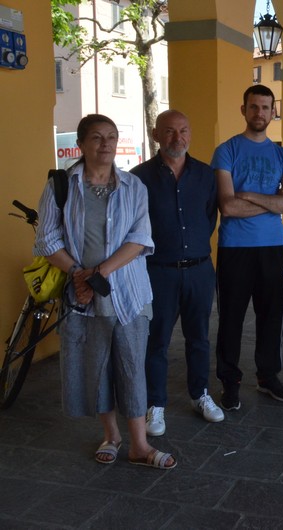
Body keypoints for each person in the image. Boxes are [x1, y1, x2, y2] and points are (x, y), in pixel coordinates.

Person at [34, 114, 175, 469]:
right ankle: (112, 436)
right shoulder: (61, 186)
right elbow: (47, 239)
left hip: (128, 294)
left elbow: (141, 239)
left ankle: (139, 445)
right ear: (81, 144)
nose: (106, 144)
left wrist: (98, 274)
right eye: (97, 137)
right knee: (96, 369)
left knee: (132, 367)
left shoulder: (133, 186)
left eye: (111, 136)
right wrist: (77, 275)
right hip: (83, 298)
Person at [131, 110, 224, 436]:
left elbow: (209, 217)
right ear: (156, 134)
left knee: (199, 338)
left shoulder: (205, 174)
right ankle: (155, 403)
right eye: (169, 131)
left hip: (199, 270)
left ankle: (200, 394)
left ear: (190, 134)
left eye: (183, 130)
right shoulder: (139, 178)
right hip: (158, 272)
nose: (177, 137)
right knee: (156, 340)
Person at [211, 85, 283, 410]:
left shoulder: (282, 155)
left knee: (271, 317)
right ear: (244, 110)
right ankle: (229, 381)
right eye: (254, 107)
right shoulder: (227, 151)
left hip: (273, 248)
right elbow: (228, 206)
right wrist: (272, 201)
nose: (259, 113)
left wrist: (248, 195)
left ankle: (267, 376)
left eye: (265, 107)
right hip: (235, 248)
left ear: (273, 112)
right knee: (231, 319)